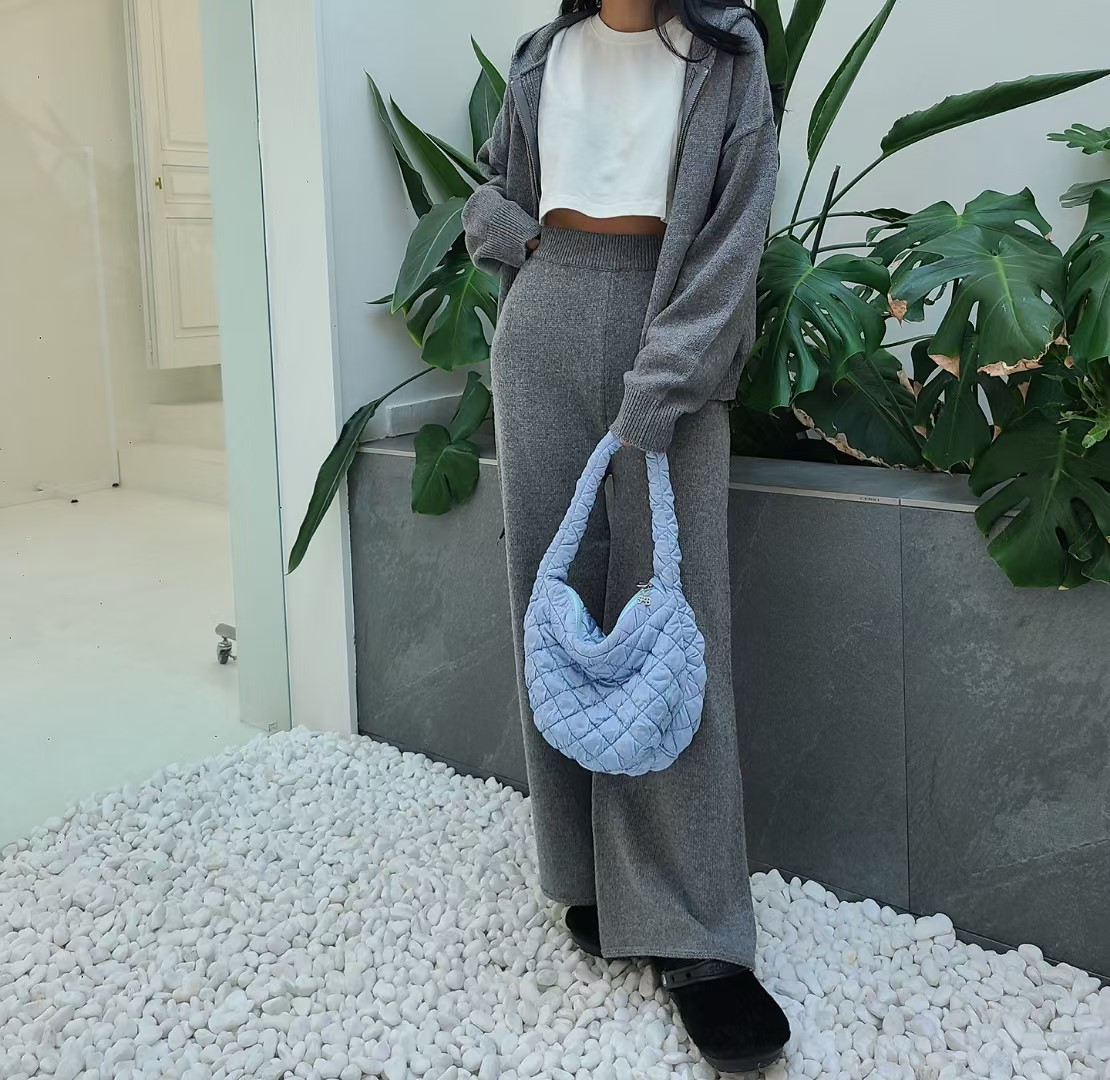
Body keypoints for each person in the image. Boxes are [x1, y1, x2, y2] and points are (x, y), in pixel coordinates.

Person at [462, 0, 790, 1070]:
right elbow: (495, 188)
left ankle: (697, 933)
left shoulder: (727, 55)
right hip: (545, 318)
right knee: (552, 594)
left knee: (671, 610)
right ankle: (590, 876)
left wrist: (668, 376)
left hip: (669, 323)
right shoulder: (540, 56)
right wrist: (516, 240)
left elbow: (735, 234)